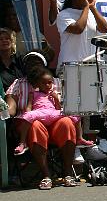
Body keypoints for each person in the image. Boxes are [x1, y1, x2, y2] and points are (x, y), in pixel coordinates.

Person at [5, 51, 78, 190]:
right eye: (29, 62)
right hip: (30, 123)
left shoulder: (55, 81)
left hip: (54, 118)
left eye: (37, 62)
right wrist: (6, 110)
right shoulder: (18, 83)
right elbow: (11, 106)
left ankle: (68, 173)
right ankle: (46, 175)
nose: (33, 65)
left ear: (44, 65)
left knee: (67, 123)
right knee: (36, 125)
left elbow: (65, 104)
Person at [14, 66, 80, 153]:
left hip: (52, 113)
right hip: (39, 113)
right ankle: (22, 142)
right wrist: (28, 113)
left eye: (49, 83)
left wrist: (56, 99)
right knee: (27, 117)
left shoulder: (53, 94)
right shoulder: (33, 93)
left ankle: (80, 138)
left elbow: (58, 108)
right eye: (43, 83)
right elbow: (29, 106)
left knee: (75, 114)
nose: (47, 85)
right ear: (37, 84)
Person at [54, 0, 107, 69]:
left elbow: (105, 29)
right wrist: (86, 7)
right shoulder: (63, 15)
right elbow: (78, 29)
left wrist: (92, 8)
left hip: (91, 66)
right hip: (70, 66)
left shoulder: (90, 12)